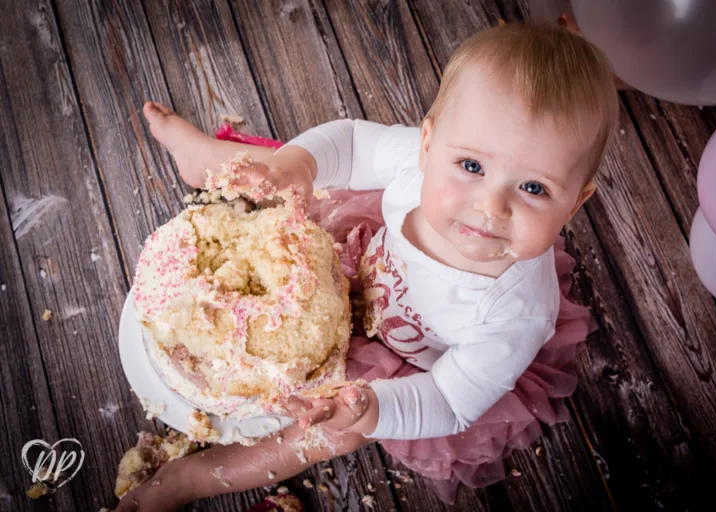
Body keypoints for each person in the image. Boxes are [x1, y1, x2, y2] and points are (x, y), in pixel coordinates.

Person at [116, 20, 618, 511]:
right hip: (356, 259)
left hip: (403, 364)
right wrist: (301, 165)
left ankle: (189, 479)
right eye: (471, 167)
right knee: (284, 179)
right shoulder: (413, 166)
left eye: (534, 188)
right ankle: (205, 157)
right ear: (428, 145)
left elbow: (447, 399)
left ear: (575, 204)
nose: (490, 206)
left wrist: (370, 410)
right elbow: (354, 143)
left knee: (328, 436)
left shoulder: (515, 316)